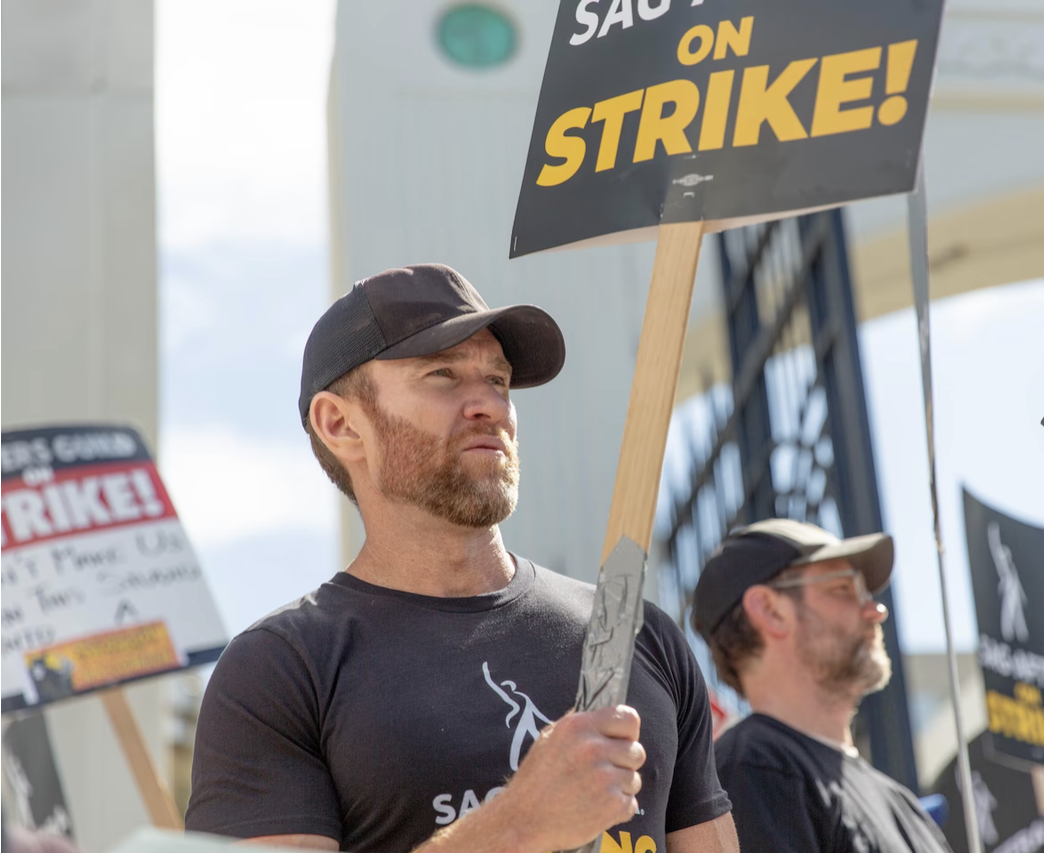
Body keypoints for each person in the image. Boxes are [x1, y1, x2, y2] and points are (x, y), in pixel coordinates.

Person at [185, 264, 736, 853]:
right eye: (443, 375)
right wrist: (514, 824)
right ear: (341, 423)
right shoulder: (280, 671)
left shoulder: (634, 631)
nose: (491, 408)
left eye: (498, 380)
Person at [693, 519, 948, 852]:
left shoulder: (904, 806)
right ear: (771, 611)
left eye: (866, 592)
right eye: (843, 589)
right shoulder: (754, 771)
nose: (876, 610)